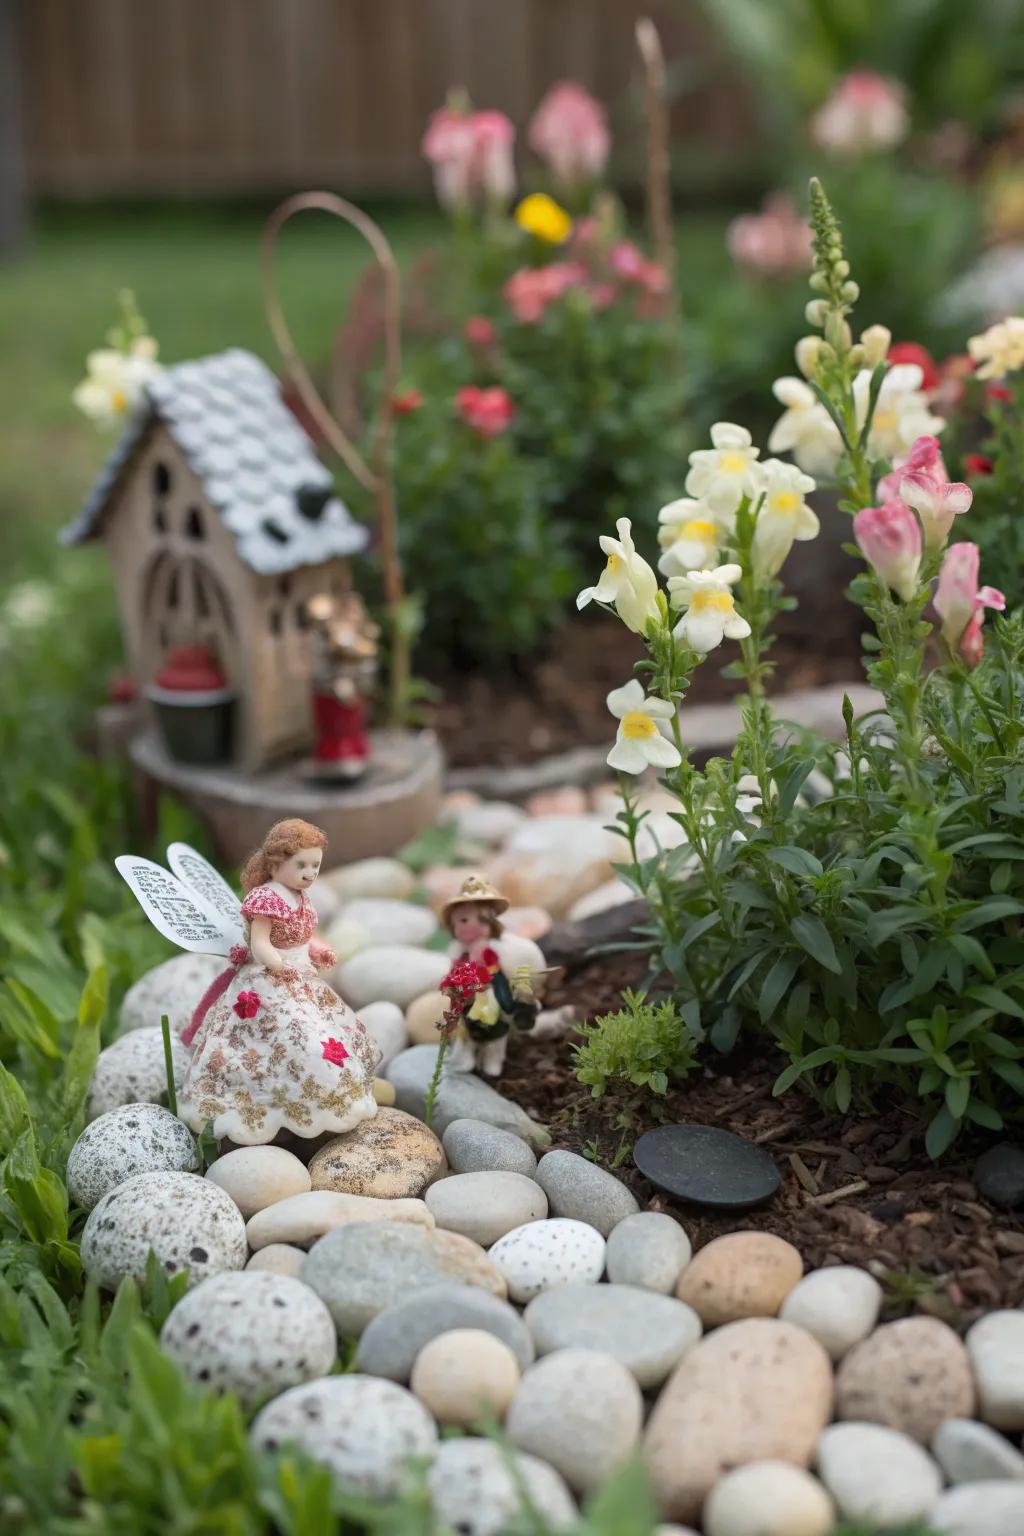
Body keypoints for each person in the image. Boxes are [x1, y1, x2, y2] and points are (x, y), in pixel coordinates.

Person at [178, 818, 380, 1144]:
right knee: (293, 1037)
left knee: (323, 1035)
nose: (310, 872)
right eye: (301, 864)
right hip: (269, 979)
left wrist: (317, 950)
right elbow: (261, 942)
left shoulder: (300, 896)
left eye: (316, 865)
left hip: (300, 975)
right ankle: (268, 1108)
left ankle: (321, 1104)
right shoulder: (267, 898)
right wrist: (277, 964)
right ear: (275, 864)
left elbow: (302, 936)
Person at [440, 874, 541, 1077]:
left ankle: (493, 1059)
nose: (471, 926)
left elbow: (495, 969)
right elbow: (452, 970)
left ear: (491, 923)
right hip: (464, 994)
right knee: (464, 1026)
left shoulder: (491, 950)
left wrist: (487, 979)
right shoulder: (457, 950)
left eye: (481, 920)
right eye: (463, 920)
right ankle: (465, 1056)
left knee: (496, 1023)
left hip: (486, 990)